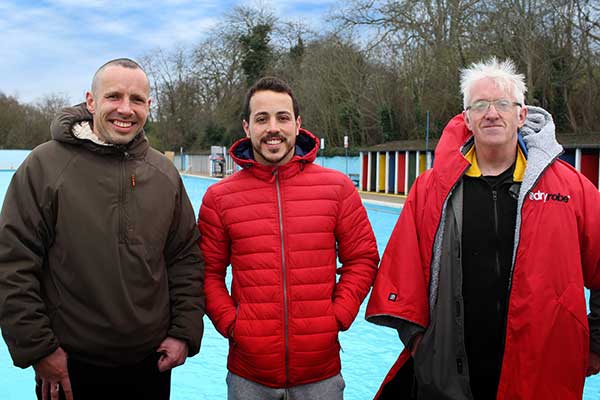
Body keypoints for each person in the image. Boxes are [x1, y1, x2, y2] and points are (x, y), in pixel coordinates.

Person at [366, 58, 600, 399]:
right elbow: (403, 268)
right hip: (452, 363)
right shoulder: (432, 188)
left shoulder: (571, 187)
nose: (492, 113)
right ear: (467, 118)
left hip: (543, 358)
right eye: (480, 105)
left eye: (503, 103)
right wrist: (419, 340)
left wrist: (594, 340)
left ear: (521, 115)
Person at [0, 58, 205, 400]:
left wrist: (183, 333)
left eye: (137, 100)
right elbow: (12, 262)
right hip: (68, 365)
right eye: (114, 97)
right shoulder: (44, 165)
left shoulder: (164, 173)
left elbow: (184, 258)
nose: (125, 109)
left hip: (150, 364)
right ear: (91, 101)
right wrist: (39, 350)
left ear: (148, 106)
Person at [198, 76, 379, 399]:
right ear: (246, 127)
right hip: (249, 375)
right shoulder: (219, 197)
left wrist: (337, 317)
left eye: (282, 117)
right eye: (261, 118)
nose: (273, 128)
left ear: (297, 124)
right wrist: (232, 325)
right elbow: (206, 273)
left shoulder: (337, 189)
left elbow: (362, 258)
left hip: (320, 372)